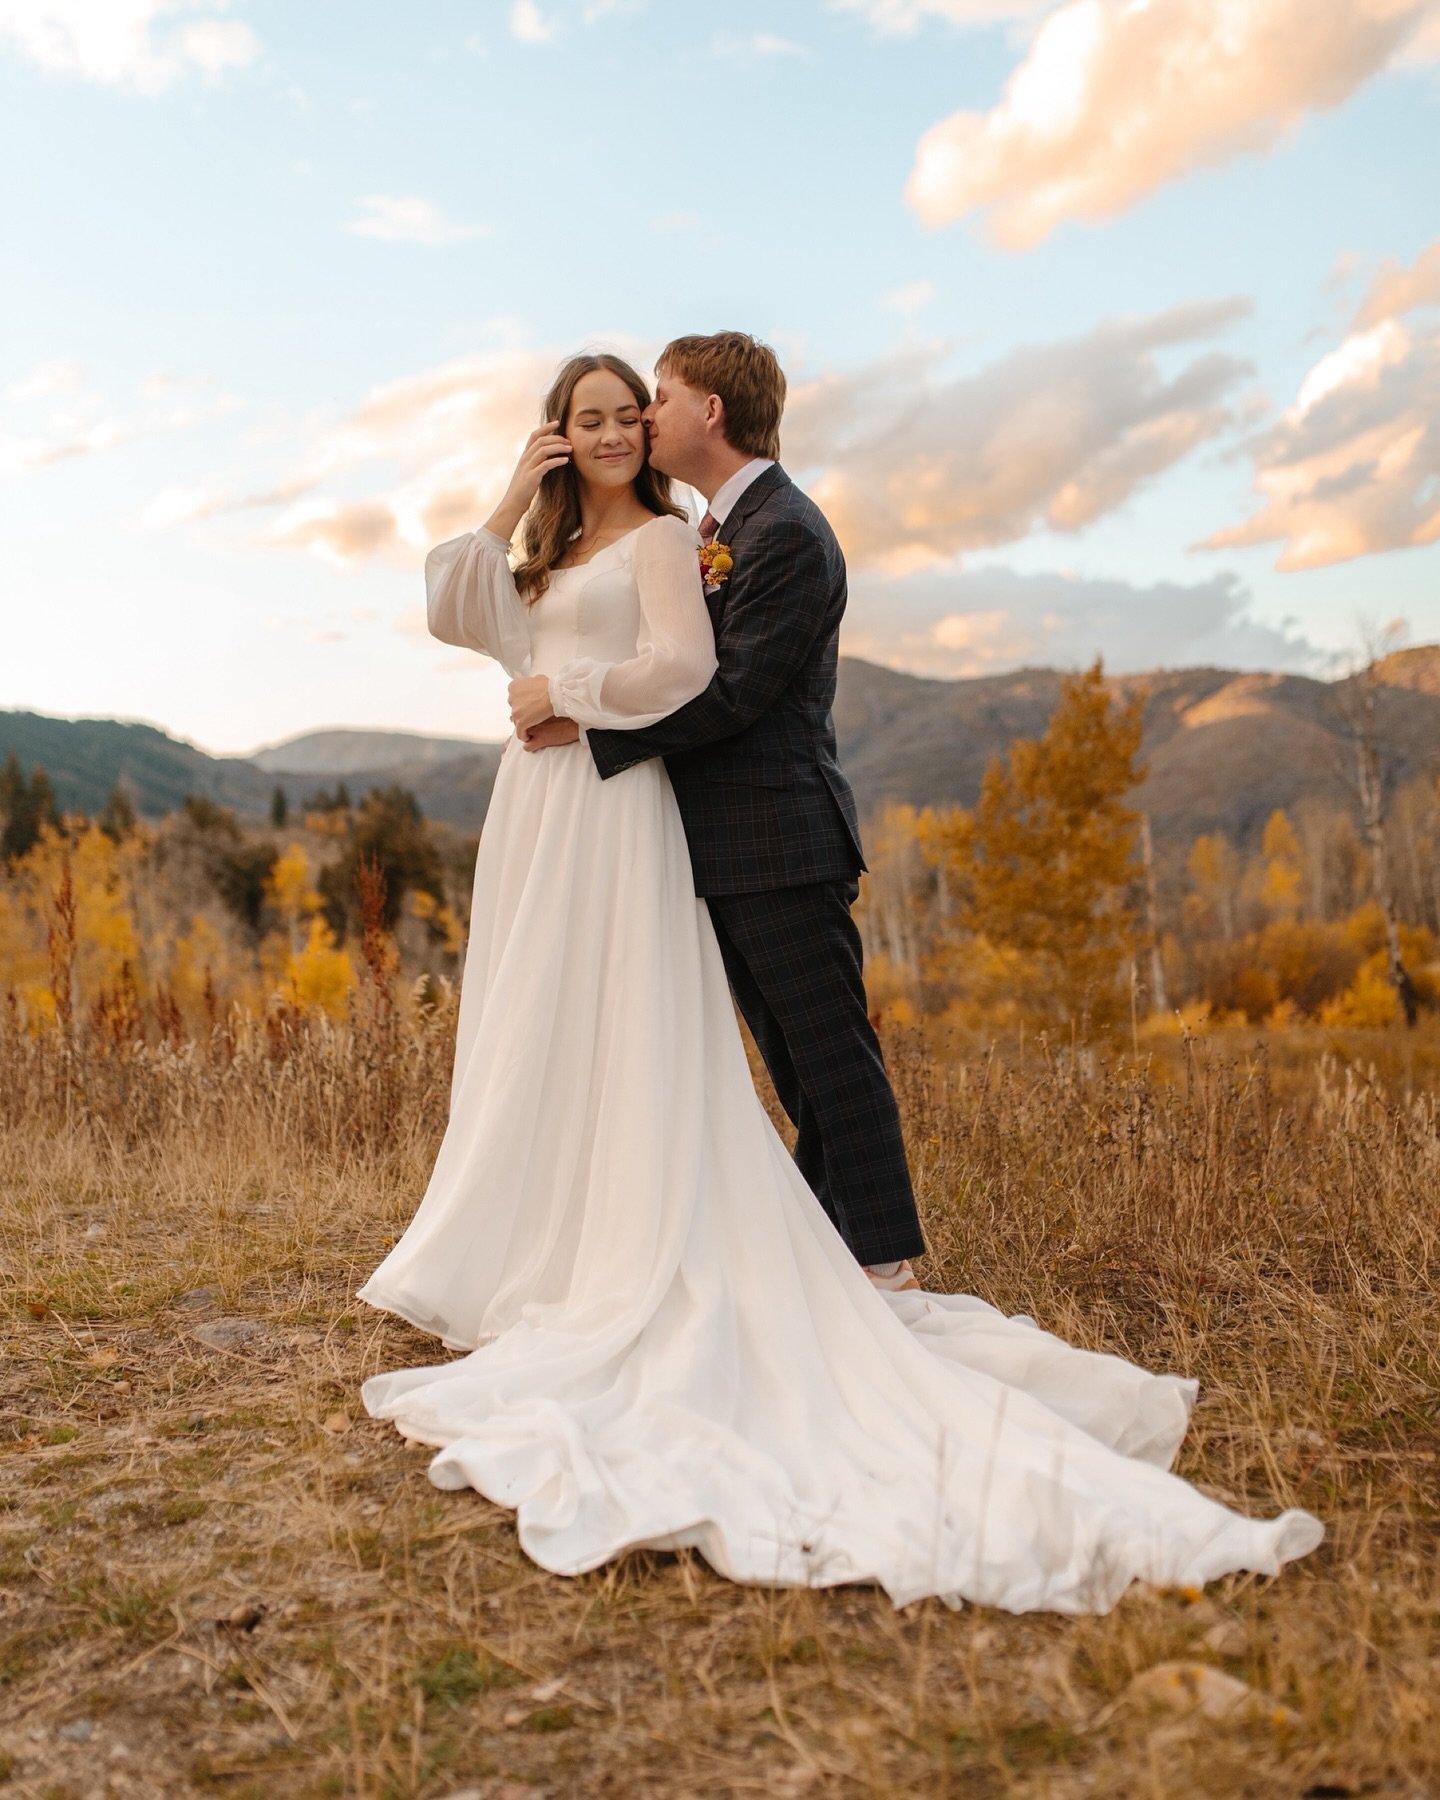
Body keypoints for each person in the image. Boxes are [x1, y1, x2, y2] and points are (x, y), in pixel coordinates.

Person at [356, 345, 1322, 1613]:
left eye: (633, 407)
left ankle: (876, 1271)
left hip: (677, 814)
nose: (619, 424)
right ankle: (603, 1243)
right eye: (587, 416)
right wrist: (506, 493)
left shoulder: (733, 535)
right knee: (608, 1039)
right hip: (564, 817)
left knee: (804, 1054)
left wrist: (574, 700)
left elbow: (715, 681)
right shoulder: (628, 538)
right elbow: (452, 601)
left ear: (693, 415)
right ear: (555, 433)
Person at [518, 333, 925, 1289]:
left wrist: (585, 722)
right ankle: (841, 1245)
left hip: (780, 836)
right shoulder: (721, 529)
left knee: (829, 1052)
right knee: (793, 1060)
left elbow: (734, 691)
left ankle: (885, 1258)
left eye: (659, 396)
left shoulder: (785, 530)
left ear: (711, 410)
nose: (644, 415)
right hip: (729, 843)